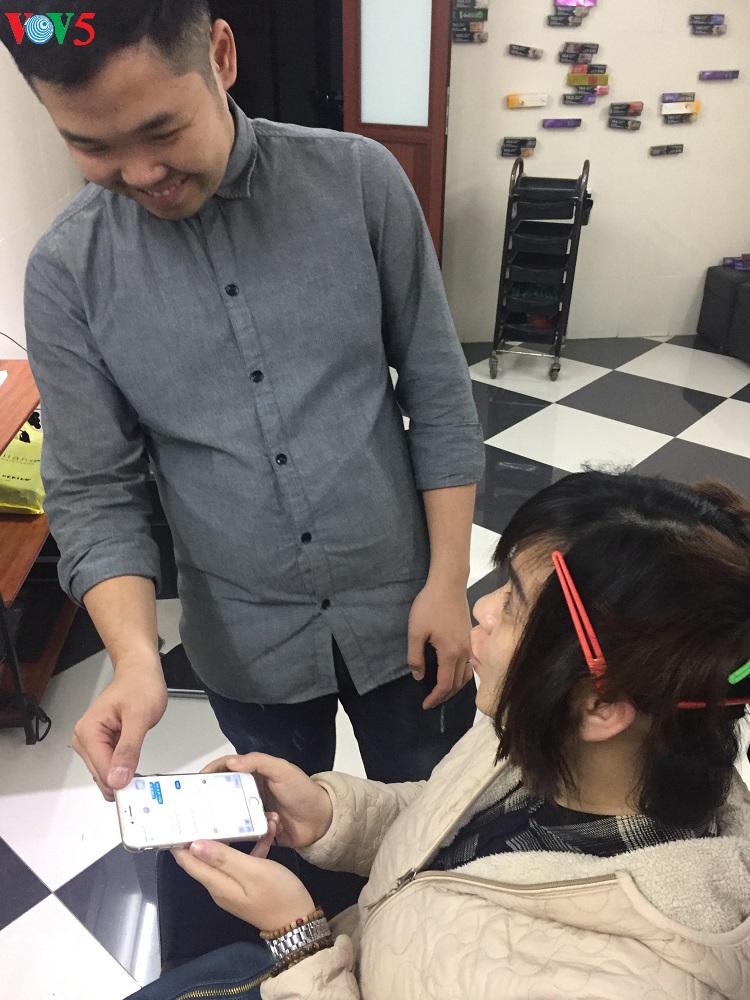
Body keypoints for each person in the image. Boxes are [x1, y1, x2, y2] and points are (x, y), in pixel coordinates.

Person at [1, 1, 484, 795]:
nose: (141, 174)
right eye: (92, 146)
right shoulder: (66, 274)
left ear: (221, 56)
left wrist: (448, 579)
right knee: (286, 842)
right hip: (245, 643)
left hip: (407, 604)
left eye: (163, 131)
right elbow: (92, 490)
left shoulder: (360, 182)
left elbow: (437, 392)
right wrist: (134, 659)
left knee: (434, 820)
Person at [128, 470, 750, 1000]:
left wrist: (299, 940)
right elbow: (443, 818)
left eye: (514, 605)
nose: (482, 607)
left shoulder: (629, 980)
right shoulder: (536, 734)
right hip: (366, 939)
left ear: (603, 703)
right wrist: (328, 816)